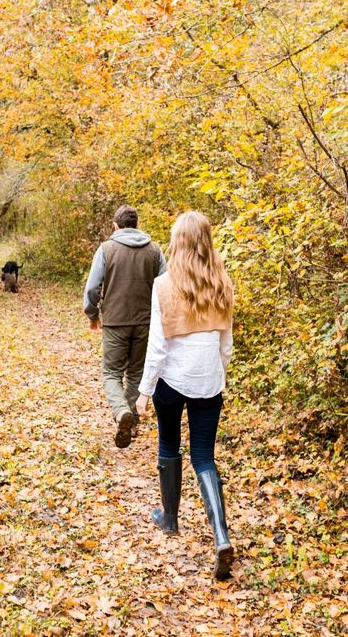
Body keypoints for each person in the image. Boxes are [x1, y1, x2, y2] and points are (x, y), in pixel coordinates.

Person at [136, 210, 234, 580]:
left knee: (169, 444)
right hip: (210, 381)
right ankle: (221, 536)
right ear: (206, 242)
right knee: (204, 457)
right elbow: (226, 342)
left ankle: (170, 518)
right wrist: (219, 372)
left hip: (173, 382)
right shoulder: (222, 282)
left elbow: (157, 348)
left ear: (177, 242)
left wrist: (145, 391)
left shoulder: (163, 285)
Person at [84, 204, 166, 448]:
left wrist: (92, 314)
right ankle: (131, 418)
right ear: (137, 225)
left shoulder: (106, 249)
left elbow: (92, 288)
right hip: (146, 323)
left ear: (115, 226)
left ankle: (121, 413)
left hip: (115, 322)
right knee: (136, 373)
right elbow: (166, 284)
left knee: (111, 372)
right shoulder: (154, 250)